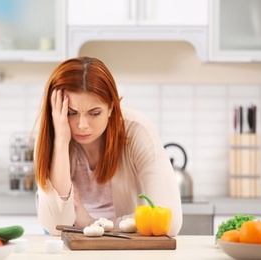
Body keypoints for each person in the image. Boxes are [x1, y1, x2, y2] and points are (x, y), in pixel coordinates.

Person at [34, 56, 182, 236]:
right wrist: (61, 141)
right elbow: (56, 226)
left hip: (127, 245)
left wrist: (89, 222)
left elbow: (170, 223)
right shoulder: (52, 137)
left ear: (112, 107)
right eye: (71, 113)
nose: (82, 125)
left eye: (94, 113)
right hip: (72, 245)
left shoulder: (138, 131)